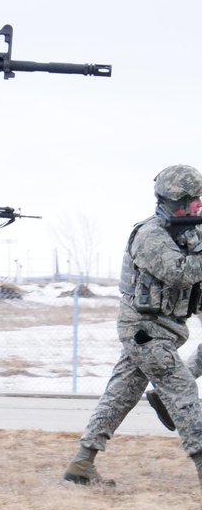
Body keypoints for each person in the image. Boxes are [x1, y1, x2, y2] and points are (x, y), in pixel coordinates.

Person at [64, 165, 202, 488]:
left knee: (120, 395)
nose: (199, 205)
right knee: (183, 390)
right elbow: (180, 272)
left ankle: (82, 463)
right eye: (194, 199)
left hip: (163, 330)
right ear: (177, 200)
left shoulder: (189, 232)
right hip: (144, 331)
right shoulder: (150, 235)